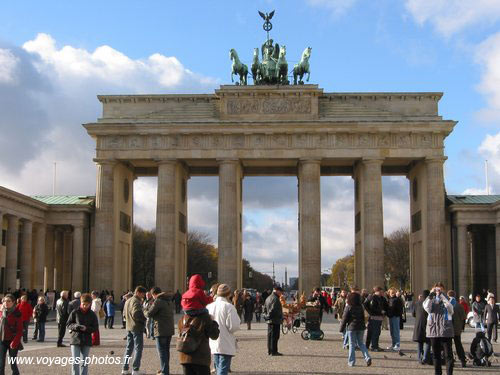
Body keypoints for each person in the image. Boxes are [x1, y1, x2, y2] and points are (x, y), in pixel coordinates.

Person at [207, 284, 241, 375]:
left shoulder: (209, 306)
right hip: (225, 340)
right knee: (223, 368)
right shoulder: (229, 307)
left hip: (213, 341)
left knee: (218, 366)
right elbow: (233, 326)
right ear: (228, 294)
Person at [178, 302, 220, 375]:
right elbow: (214, 335)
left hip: (184, 357)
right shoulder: (205, 318)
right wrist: (213, 321)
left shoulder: (182, 319)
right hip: (200, 358)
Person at [423, 283, 454, 375]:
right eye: (436, 290)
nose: (438, 292)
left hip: (446, 330)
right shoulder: (429, 300)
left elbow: (451, 310)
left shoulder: (449, 299)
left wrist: (443, 297)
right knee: (436, 355)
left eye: (440, 290)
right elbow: (427, 308)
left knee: (448, 355)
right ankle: (438, 373)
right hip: (433, 330)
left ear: (443, 290)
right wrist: (430, 296)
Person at [144, 287, 174, 375]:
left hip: (161, 329)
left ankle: (165, 371)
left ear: (154, 294)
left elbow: (149, 313)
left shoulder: (158, 301)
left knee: (162, 351)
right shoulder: (168, 300)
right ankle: (164, 368)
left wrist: (144, 310)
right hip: (169, 329)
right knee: (166, 351)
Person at [67, 293, 98, 375]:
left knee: (84, 362)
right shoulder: (75, 312)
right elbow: (68, 324)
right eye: (83, 304)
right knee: (75, 361)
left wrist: (86, 328)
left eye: (87, 305)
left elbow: (95, 327)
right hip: (75, 339)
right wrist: (75, 326)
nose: (85, 306)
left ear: (90, 304)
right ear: (81, 302)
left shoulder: (92, 314)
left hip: (86, 339)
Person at [339, 292, 372, 367]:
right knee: (361, 343)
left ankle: (351, 361)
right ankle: (367, 357)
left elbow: (344, 318)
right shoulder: (361, 306)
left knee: (351, 344)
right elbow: (364, 317)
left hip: (352, 327)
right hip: (361, 327)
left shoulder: (349, 307)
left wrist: (341, 329)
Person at [122, 286, 147, 375]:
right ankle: (135, 369)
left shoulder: (128, 300)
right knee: (138, 348)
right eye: (143, 294)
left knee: (129, 348)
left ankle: (125, 369)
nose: (143, 296)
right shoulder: (136, 301)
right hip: (136, 327)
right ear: (138, 293)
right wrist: (144, 319)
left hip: (129, 327)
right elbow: (136, 313)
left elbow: (124, 314)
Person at [0, 294, 22, 375]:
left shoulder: (17, 313)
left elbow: (20, 330)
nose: (6, 303)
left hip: (13, 341)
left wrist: (15, 342)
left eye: (9, 301)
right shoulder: (1, 312)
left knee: (13, 363)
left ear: (13, 302)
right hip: (2, 340)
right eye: (5, 301)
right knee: (1, 363)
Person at [363, 286, 387, 351]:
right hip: (375, 317)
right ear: (377, 291)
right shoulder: (373, 297)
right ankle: (374, 346)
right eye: (381, 292)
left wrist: (384, 312)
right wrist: (371, 312)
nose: (382, 293)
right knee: (375, 332)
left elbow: (385, 306)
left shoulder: (381, 298)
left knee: (373, 332)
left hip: (377, 317)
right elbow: (368, 305)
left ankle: (370, 345)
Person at [448, 290, 466, 367]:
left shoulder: (446, 305)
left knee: (448, 346)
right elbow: (463, 318)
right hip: (457, 329)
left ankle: (450, 361)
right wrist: (462, 327)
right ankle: (462, 360)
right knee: (458, 344)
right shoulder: (459, 305)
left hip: (448, 329)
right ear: (455, 296)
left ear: (448, 296)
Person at [412, 291, 432, 365]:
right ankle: (425, 358)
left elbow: (413, 314)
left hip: (418, 325)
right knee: (428, 342)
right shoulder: (429, 303)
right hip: (427, 324)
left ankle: (419, 358)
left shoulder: (417, 303)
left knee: (420, 343)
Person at [263, 286, 283, 356]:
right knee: (275, 336)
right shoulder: (275, 299)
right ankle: (274, 351)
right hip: (275, 320)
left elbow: (264, 308)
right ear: (277, 291)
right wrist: (269, 316)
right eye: (281, 292)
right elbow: (273, 309)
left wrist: (266, 316)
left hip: (270, 320)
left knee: (270, 336)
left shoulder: (268, 298)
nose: (281, 294)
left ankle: (269, 350)